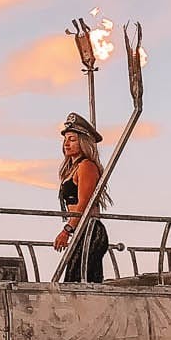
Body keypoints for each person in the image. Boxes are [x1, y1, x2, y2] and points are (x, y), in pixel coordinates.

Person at [53, 114, 109, 283]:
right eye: (65, 140)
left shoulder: (86, 166)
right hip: (81, 230)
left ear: (83, 142)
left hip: (90, 231)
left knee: (77, 281)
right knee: (76, 279)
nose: (66, 144)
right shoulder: (73, 169)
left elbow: (84, 204)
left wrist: (67, 230)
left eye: (72, 140)